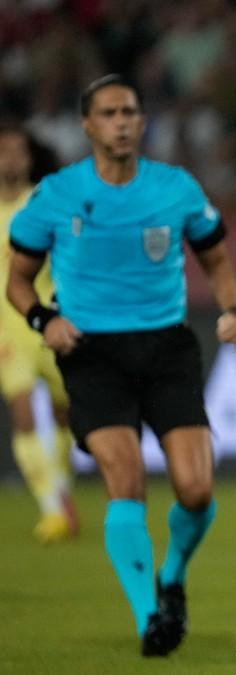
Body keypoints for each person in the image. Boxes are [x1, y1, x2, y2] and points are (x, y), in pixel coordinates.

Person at [6, 74, 236, 657]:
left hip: (166, 348)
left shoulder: (176, 189)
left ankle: (172, 579)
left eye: (130, 112)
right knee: (126, 480)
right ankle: (150, 619)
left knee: (195, 489)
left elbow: (215, 258)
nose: (121, 121)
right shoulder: (58, 195)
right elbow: (16, 279)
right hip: (92, 354)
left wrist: (232, 309)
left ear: (142, 122)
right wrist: (44, 319)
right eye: (109, 113)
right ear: (88, 125)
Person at [0, 122, 77, 544]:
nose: (11, 160)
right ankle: (51, 508)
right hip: (6, 332)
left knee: (67, 416)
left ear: (28, 160)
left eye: (18, 152)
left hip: (46, 321)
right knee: (24, 412)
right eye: (4, 152)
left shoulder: (43, 204)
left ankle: (61, 488)